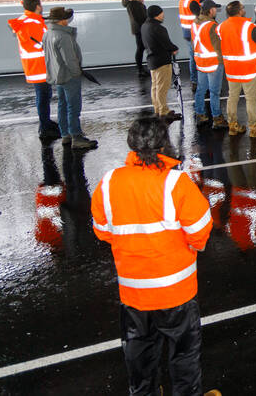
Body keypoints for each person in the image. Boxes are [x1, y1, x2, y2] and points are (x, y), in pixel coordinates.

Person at [90, 117, 214, 396]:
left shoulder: (109, 183)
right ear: (163, 144)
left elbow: (103, 231)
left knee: (140, 354)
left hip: (134, 293)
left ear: (132, 145)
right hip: (176, 293)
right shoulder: (176, 183)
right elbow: (200, 232)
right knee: (184, 354)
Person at [42, 6, 98, 150]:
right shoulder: (64, 36)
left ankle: (65, 134)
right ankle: (76, 136)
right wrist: (76, 72)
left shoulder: (47, 34)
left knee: (62, 105)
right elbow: (70, 60)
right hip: (69, 76)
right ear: (62, 20)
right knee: (74, 106)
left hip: (57, 75)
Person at [8, 0, 61, 141]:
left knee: (43, 95)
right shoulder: (32, 23)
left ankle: (45, 123)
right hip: (39, 66)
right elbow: (43, 44)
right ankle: (45, 128)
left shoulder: (28, 20)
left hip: (36, 65)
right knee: (43, 96)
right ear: (37, 6)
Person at [217, 1, 256, 138]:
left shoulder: (221, 27)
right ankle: (254, 128)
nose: (244, 9)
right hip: (249, 69)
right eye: (242, 7)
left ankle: (232, 126)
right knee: (251, 99)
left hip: (231, 69)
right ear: (239, 11)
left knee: (232, 97)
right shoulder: (249, 26)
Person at [191, 0, 226, 128]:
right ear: (210, 10)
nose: (216, 11)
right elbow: (218, 47)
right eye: (215, 9)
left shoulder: (195, 23)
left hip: (201, 61)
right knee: (214, 92)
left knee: (201, 89)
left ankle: (200, 114)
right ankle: (217, 118)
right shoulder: (212, 25)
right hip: (213, 62)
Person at [122, 0, 148, 76]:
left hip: (138, 29)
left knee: (141, 48)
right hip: (140, 29)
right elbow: (140, 17)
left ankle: (140, 69)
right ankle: (140, 69)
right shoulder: (133, 4)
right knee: (140, 49)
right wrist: (142, 5)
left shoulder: (132, 2)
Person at [178, 0, 200, 82]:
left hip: (186, 31)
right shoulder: (192, 1)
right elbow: (199, 16)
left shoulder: (183, 0)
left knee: (192, 56)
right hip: (193, 32)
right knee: (196, 56)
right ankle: (195, 79)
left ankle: (194, 79)